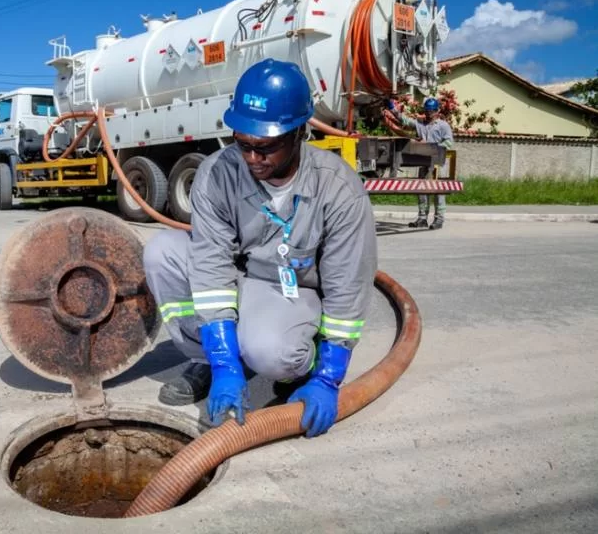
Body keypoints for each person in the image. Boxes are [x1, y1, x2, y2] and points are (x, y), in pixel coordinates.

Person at [143, 58, 377, 437]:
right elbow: (210, 261)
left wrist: (330, 376)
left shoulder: (338, 188)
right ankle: (211, 358)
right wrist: (224, 364)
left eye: (266, 147)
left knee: (272, 353)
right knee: (162, 252)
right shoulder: (218, 172)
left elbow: (347, 285)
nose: (252, 158)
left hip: (293, 289)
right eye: (243, 143)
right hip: (241, 277)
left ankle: (303, 359)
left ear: (299, 132)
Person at [383, 97, 456, 230]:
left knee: (438, 191)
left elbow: (448, 143)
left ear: (437, 111)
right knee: (422, 189)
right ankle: (422, 218)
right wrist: (392, 109)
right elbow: (404, 120)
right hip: (424, 162)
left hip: (438, 163)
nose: (429, 114)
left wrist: (430, 146)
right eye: (427, 111)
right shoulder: (420, 124)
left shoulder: (443, 126)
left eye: (432, 111)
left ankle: (439, 219)